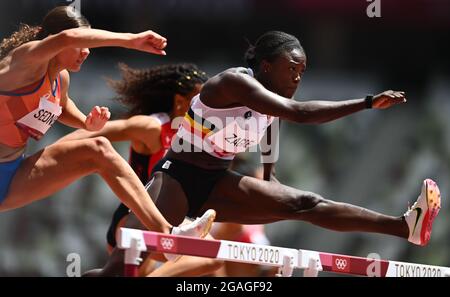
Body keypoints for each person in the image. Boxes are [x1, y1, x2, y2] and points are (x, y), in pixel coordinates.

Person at [137, 30, 441, 251]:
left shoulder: (269, 105)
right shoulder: (234, 82)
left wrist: (270, 180)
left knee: (306, 204)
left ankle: (404, 227)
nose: (297, 78)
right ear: (267, 67)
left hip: (217, 183)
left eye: (302, 72)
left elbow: (269, 139)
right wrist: (367, 102)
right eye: (291, 69)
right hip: (176, 178)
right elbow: (299, 113)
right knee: (139, 260)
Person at [0, 6, 215, 251]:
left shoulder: (61, 78)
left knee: (100, 149)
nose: (87, 51)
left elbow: (62, 105)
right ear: (56, 42)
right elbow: (67, 37)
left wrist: (85, 122)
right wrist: (130, 40)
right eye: (83, 44)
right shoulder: (23, 60)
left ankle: (168, 234)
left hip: (13, 172)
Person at [59, 63, 223, 276]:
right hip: (134, 219)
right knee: (211, 254)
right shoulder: (152, 127)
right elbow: (96, 132)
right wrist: (53, 152)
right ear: (180, 102)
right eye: (199, 102)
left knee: (212, 256)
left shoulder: (191, 136)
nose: (206, 109)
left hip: (169, 220)